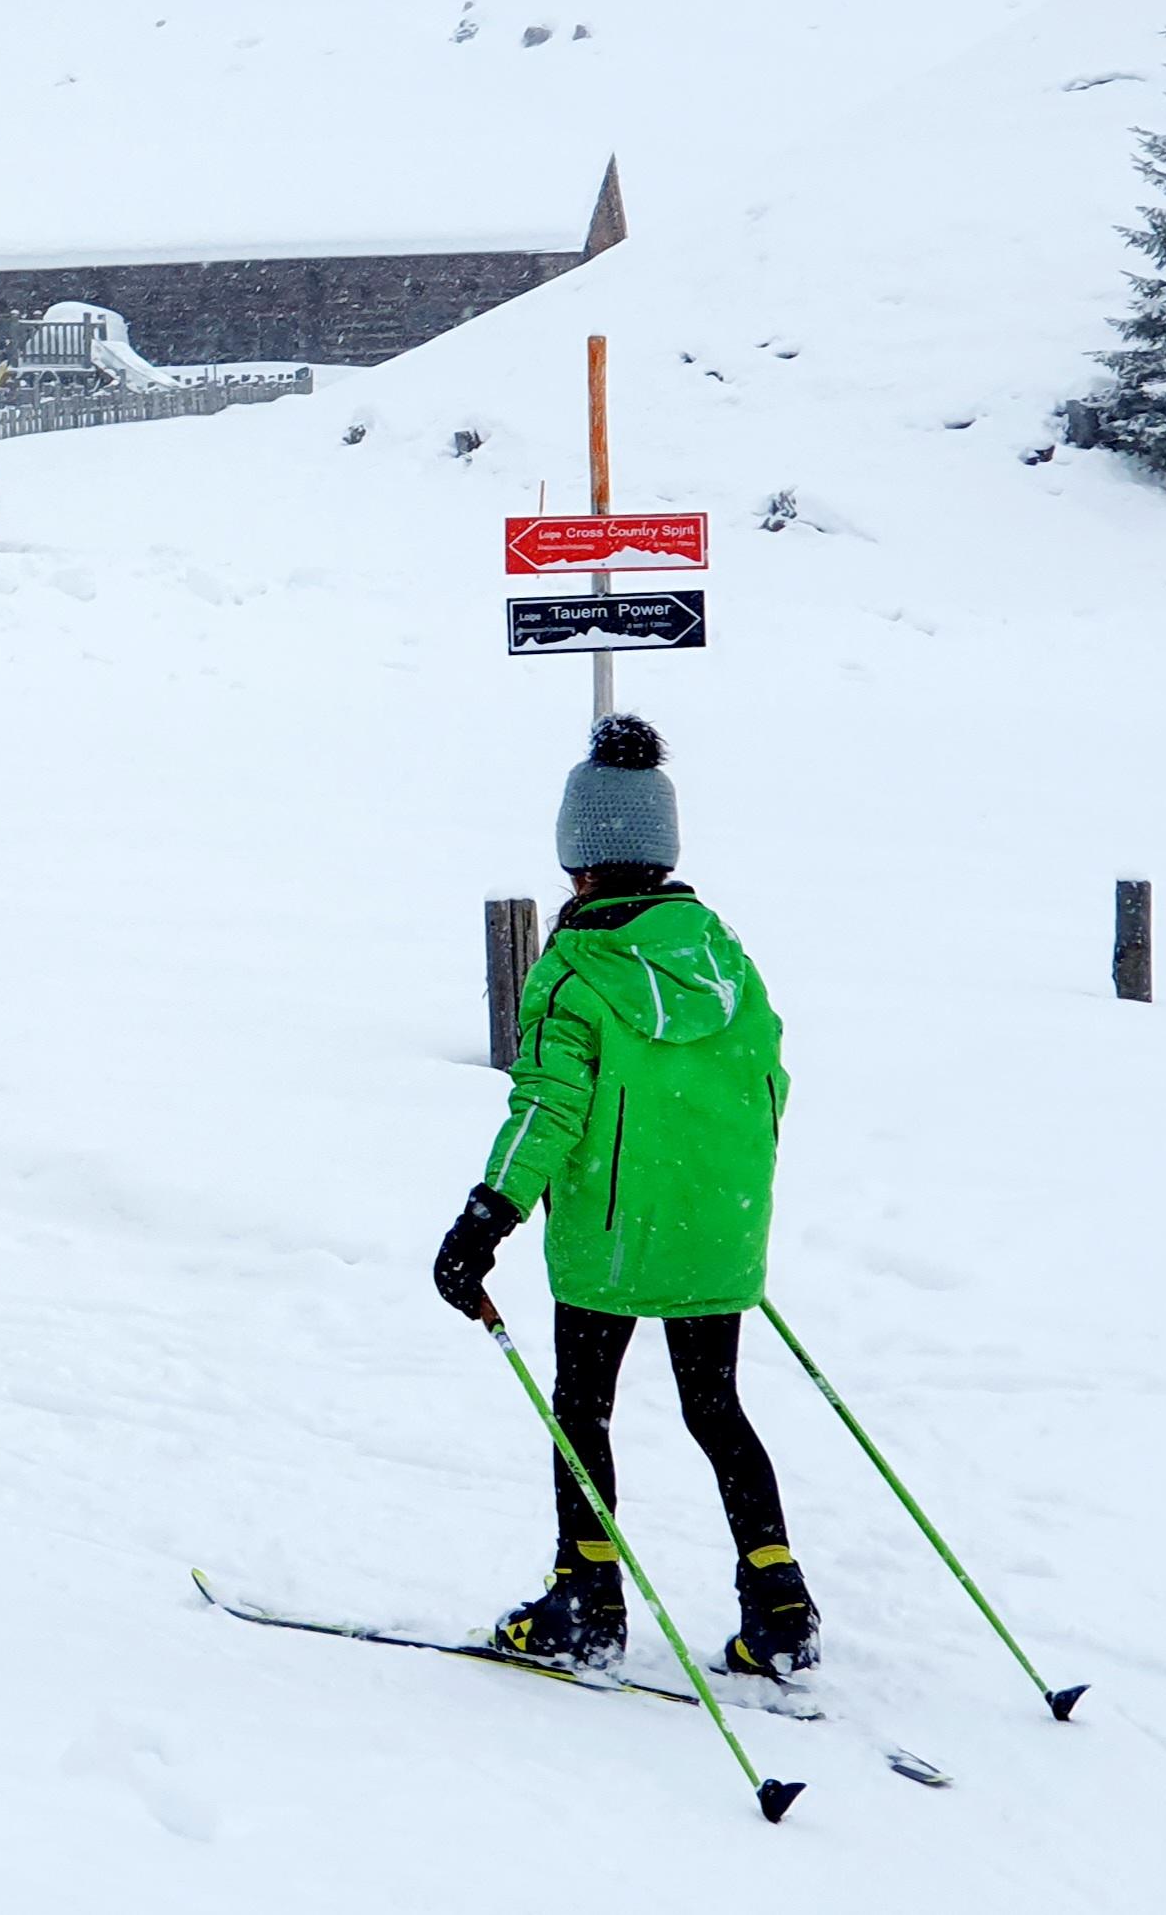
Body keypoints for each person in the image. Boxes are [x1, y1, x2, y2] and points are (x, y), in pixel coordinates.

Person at [431, 716, 816, 1679]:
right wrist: (727, 1197)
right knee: (716, 1406)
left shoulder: (574, 970)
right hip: (717, 1228)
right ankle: (779, 1604)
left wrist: (485, 1219)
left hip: (607, 1237)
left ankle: (587, 1600)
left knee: (582, 1406)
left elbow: (547, 1108)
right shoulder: (725, 958)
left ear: (580, 858)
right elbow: (769, 1083)